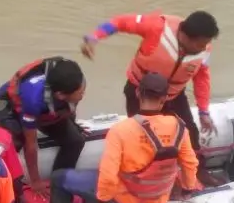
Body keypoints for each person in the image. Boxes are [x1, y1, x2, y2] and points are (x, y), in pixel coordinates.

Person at [47, 73, 201, 203]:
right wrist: (187, 191)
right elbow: (190, 163)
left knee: (58, 177)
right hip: (159, 199)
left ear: (137, 93)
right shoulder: (179, 127)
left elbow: (108, 174)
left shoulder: (120, 130)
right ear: (165, 98)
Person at [80, 10, 220, 179]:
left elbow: (202, 80)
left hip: (173, 95)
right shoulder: (157, 27)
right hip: (140, 93)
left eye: (207, 43)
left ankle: (198, 173)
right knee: (142, 137)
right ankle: (144, 174)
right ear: (185, 36)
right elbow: (120, 22)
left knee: (190, 131)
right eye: (200, 44)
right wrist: (95, 37)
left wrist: (203, 112)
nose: (204, 48)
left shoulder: (204, 50)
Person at [0, 57, 87, 197]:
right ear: (61, 95)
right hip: (12, 107)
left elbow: (69, 108)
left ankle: (60, 183)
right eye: (80, 93)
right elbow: (30, 144)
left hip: (45, 107)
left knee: (75, 141)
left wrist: (73, 125)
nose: (83, 94)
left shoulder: (75, 81)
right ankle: (5, 189)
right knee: (16, 142)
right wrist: (35, 181)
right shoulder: (33, 99)